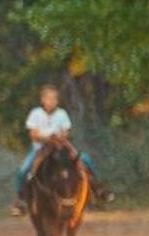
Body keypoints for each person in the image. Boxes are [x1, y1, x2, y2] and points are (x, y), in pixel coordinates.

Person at [12, 85, 109, 214]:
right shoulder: (35, 113)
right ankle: (21, 200)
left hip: (60, 148)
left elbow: (66, 132)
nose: (51, 102)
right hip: (40, 148)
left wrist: (59, 138)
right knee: (23, 170)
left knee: (85, 160)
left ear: (57, 101)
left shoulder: (61, 114)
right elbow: (33, 135)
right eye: (48, 99)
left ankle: (97, 190)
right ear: (42, 100)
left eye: (54, 99)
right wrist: (48, 138)